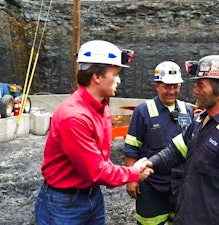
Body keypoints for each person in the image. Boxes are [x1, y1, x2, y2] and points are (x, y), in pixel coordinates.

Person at [34, 40, 153, 225]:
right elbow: (96, 171)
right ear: (97, 77)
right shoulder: (73, 117)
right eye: (115, 74)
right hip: (64, 204)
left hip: (92, 195)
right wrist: (132, 173)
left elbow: (100, 160)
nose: (119, 80)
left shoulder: (101, 106)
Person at [148, 55, 219, 225]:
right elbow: (175, 151)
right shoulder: (200, 120)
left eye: (201, 86)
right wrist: (149, 164)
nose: (194, 91)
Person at [123, 61, 194, 225]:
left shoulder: (187, 110)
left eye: (175, 86)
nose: (171, 91)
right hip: (151, 185)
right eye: (167, 87)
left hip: (180, 185)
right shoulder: (143, 111)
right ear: (157, 86)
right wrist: (131, 179)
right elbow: (131, 148)